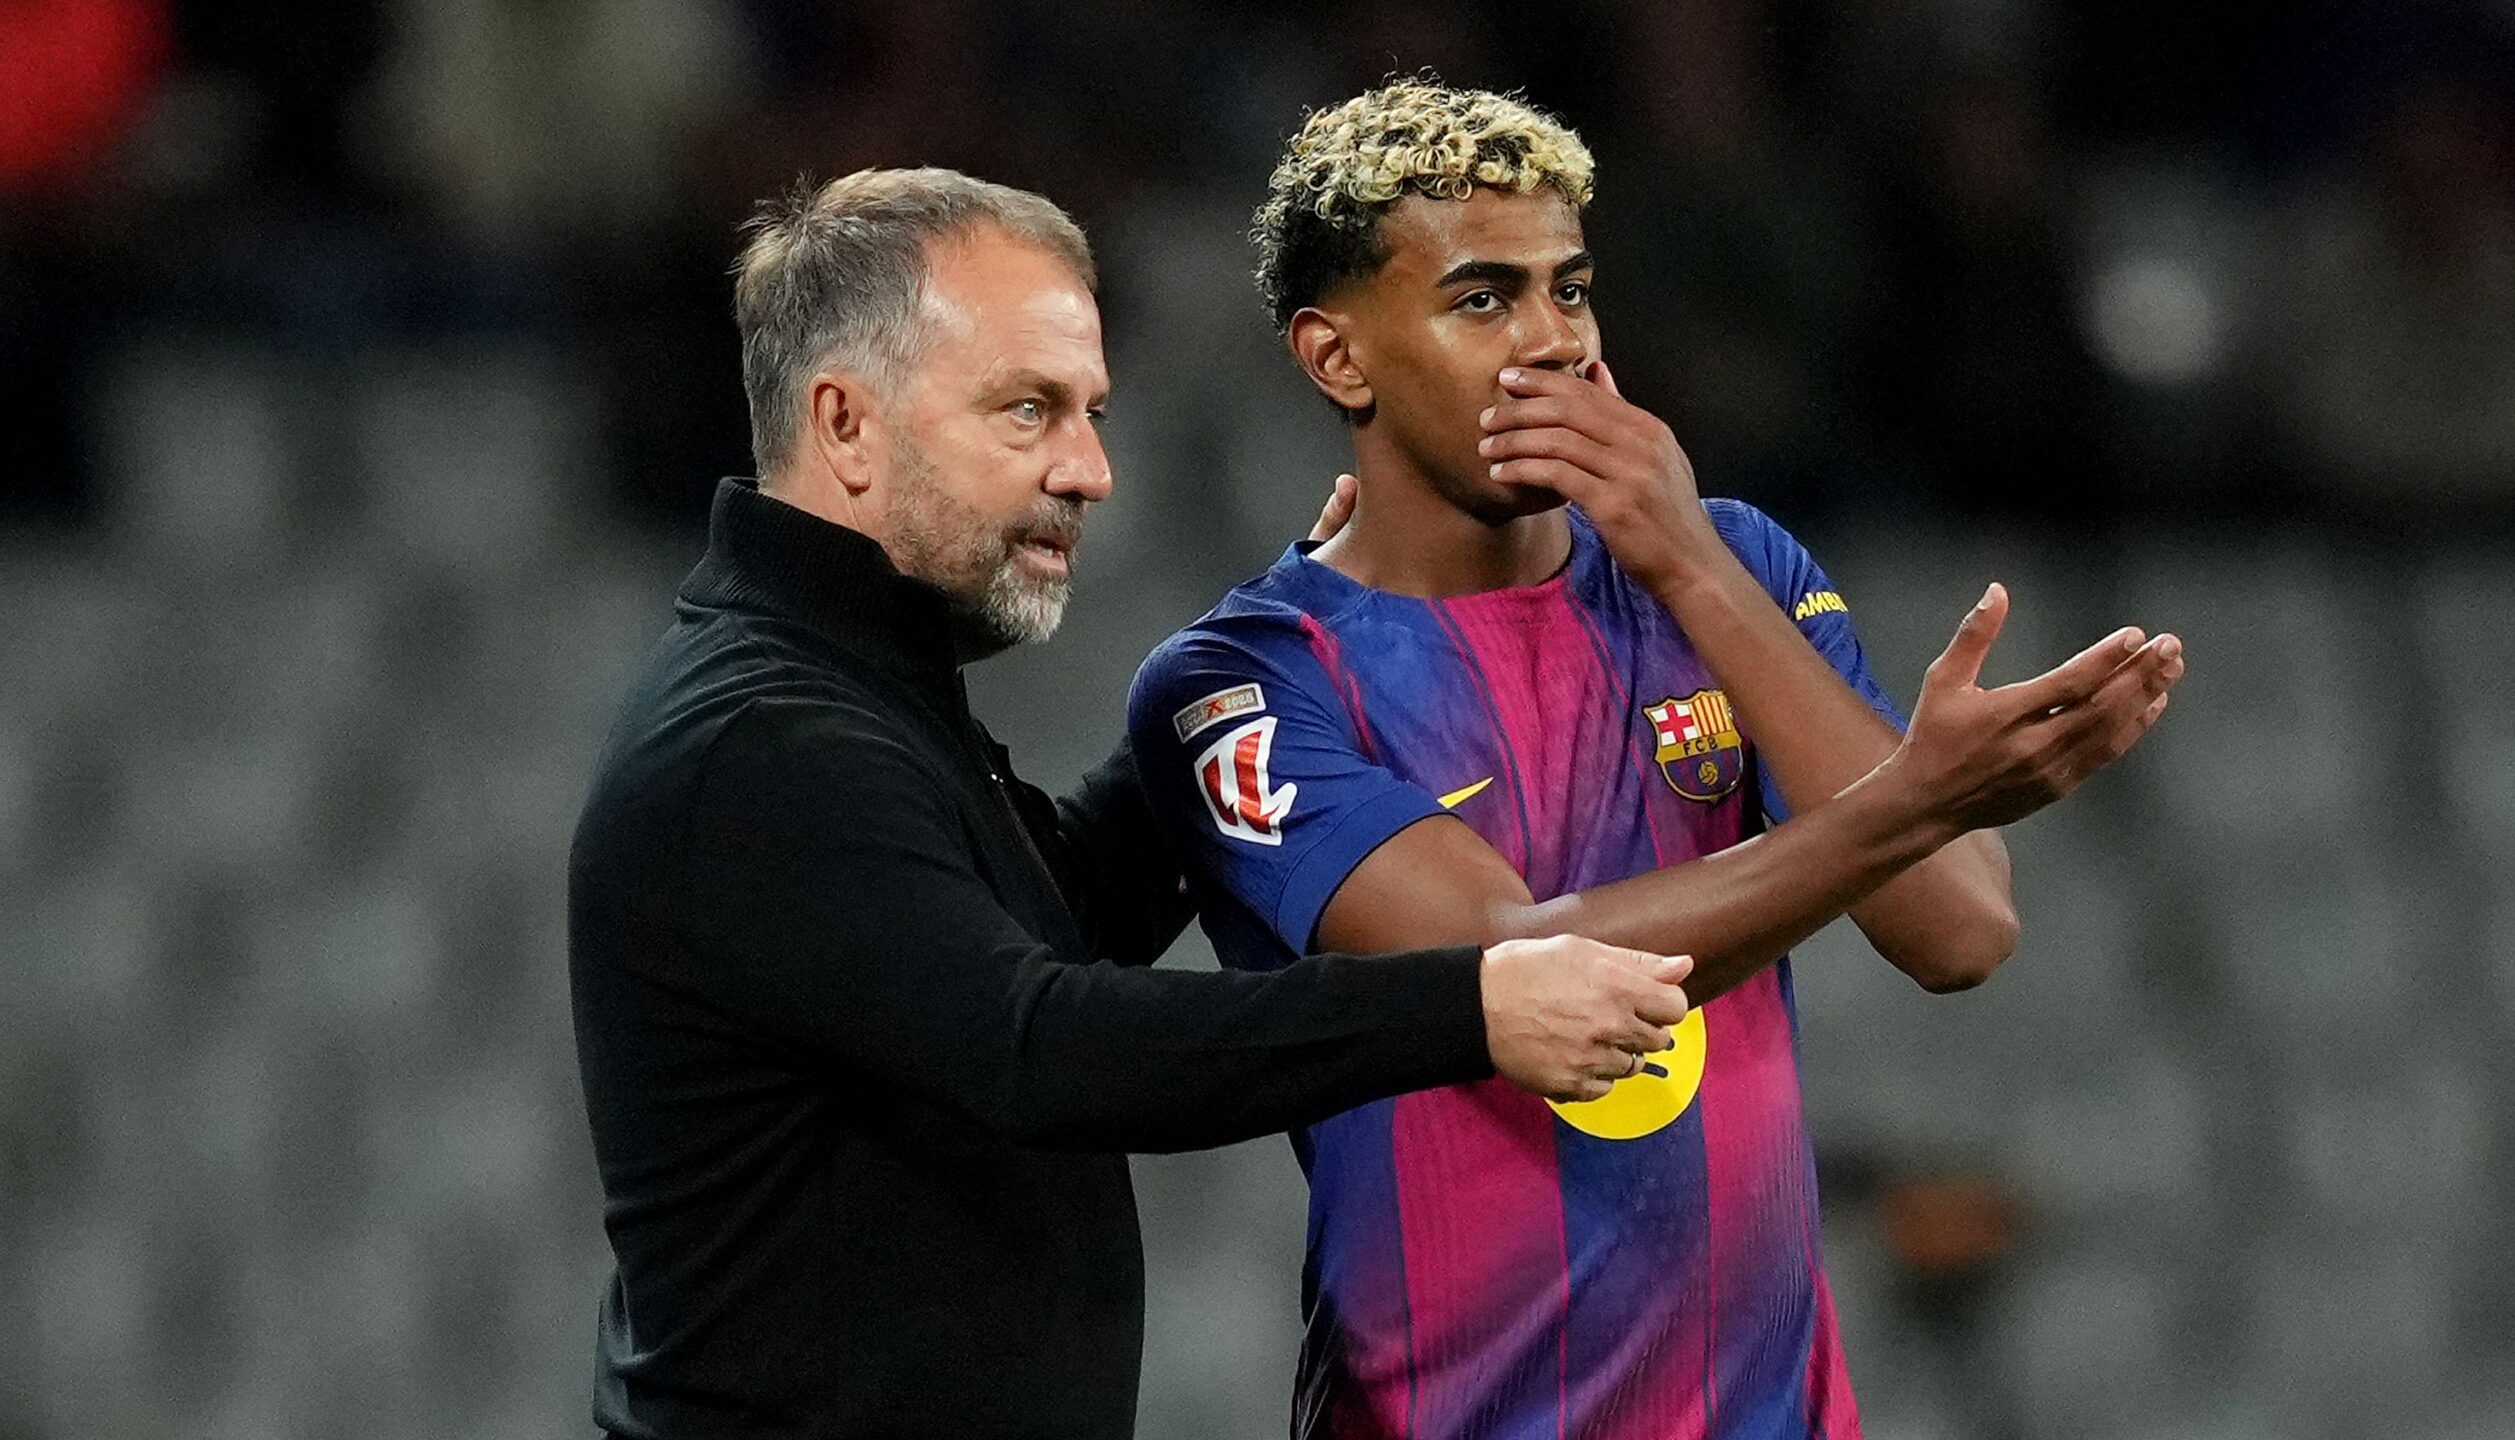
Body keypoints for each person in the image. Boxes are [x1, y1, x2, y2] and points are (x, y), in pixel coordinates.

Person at [566, 168, 1699, 1440]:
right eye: (1029, 410)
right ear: (845, 423)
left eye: (1092, 411)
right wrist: (1472, 1005)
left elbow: (1059, 919)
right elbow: (1043, 1046)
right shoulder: (762, 742)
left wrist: (1286, 640)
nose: (1092, 469)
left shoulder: (854, 687)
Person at [1126, 82, 2187, 1438]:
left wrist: (1686, 563)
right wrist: (1918, 798)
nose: (1553, 342)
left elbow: (1959, 929)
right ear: (1338, 359)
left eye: (1569, 291)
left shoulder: (1732, 562)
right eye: (1482, 299)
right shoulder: (1246, 685)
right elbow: (1511, 972)